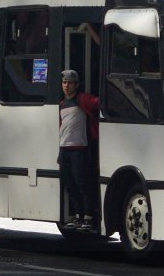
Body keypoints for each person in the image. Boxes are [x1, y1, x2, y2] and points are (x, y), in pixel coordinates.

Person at [59, 69, 99, 230]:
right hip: (64, 149)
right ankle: (78, 216)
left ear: (76, 85)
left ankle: (88, 217)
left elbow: (98, 102)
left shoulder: (82, 99)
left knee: (82, 184)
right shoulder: (62, 104)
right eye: (64, 83)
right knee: (69, 185)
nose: (66, 86)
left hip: (79, 149)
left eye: (70, 83)